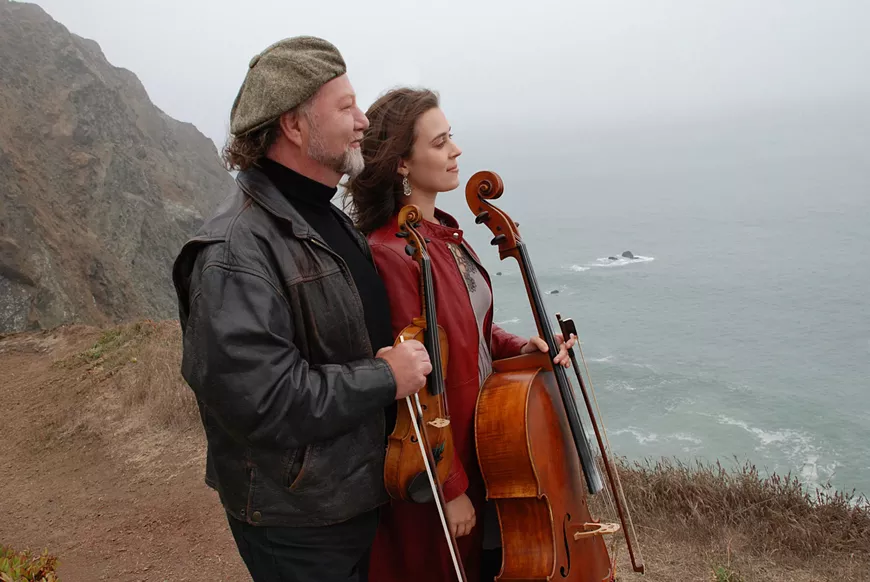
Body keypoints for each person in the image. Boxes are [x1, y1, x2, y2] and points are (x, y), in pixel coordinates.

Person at [171, 38, 432, 582]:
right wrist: (384, 377)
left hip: (347, 497)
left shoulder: (324, 218)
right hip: (298, 521)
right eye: (346, 107)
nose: (363, 121)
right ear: (293, 125)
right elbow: (263, 400)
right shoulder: (235, 251)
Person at [344, 87, 575, 582]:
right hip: (440, 464)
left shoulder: (443, 233)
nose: (456, 151)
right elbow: (416, 387)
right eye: (440, 141)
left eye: (452, 137)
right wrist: (448, 488)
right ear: (402, 163)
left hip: (481, 448)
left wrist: (518, 346)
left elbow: (469, 331)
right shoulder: (393, 252)